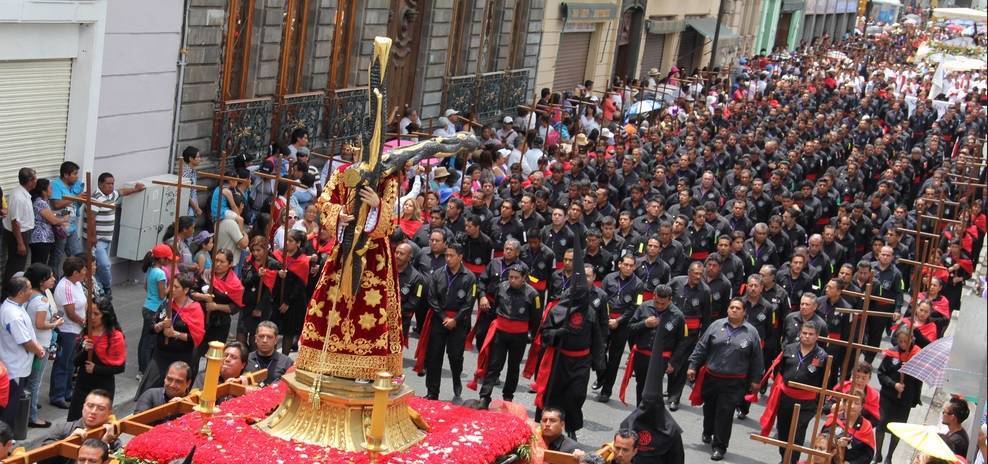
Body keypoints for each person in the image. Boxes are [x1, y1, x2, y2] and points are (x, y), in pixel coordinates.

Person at [534, 235, 604, 439]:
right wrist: (558, 333)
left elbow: (597, 338)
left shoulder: (590, 312)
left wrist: (600, 364)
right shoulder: (560, 310)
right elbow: (545, 334)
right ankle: (546, 427)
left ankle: (571, 427)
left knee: (576, 396)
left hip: (581, 361)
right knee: (553, 395)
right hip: (561, 359)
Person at [687, 297, 764, 461]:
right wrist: (693, 365)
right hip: (711, 377)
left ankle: (719, 447)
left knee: (725, 412)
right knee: (710, 409)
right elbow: (701, 347)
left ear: (744, 312)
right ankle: (708, 430)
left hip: (734, 382)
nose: (734, 310)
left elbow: (757, 358)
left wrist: (756, 380)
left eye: (738, 308)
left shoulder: (751, 332)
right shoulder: (716, 326)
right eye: (731, 307)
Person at [759, 321, 829, 464]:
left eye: (811, 334)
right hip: (786, 398)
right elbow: (781, 371)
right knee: (783, 431)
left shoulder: (822, 356)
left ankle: (792, 461)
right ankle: (784, 458)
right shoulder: (789, 349)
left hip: (807, 402)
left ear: (817, 336)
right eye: (804, 333)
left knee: (797, 433)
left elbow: (827, 381)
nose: (807, 336)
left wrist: (819, 404)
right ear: (800, 333)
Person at [471, 265, 539, 409]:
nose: (512, 280)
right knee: (494, 365)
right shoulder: (501, 287)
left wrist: (529, 334)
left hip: (519, 336)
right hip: (501, 333)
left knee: (513, 367)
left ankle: (508, 397)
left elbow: (536, 318)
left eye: (516, 278)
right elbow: (496, 306)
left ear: (524, 278)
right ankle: (485, 396)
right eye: (510, 277)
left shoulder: (533, 294)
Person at [416, 242, 477, 403]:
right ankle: (432, 392)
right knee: (434, 356)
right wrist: (443, 317)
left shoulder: (469, 277)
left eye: (451, 256)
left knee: (455, 355)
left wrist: (455, 320)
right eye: (446, 255)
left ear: (460, 257)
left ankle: (456, 380)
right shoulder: (437, 274)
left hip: (459, 321)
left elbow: (469, 303)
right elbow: (431, 298)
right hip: (439, 319)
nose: (448, 259)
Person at [135, 275, 205, 398]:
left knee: (174, 394)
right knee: (149, 392)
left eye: (176, 287)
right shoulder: (167, 304)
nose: (171, 289)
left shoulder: (195, 308)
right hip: (160, 356)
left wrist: (175, 334)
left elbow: (196, 337)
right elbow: (151, 327)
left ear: (186, 290)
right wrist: (161, 325)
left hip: (181, 358)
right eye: (170, 285)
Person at [621, 284, 685, 406]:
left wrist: (673, 362)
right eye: (657, 303)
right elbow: (630, 328)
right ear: (654, 296)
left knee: (653, 388)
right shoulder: (644, 307)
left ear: (670, 300)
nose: (660, 306)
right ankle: (639, 412)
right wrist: (644, 324)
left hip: (661, 358)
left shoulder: (678, 316)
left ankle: (650, 414)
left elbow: (681, 342)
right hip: (642, 355)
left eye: (663, 304)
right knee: (641, 385)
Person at [83, 172, 145, 296]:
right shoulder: (96, 198)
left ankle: (100, 290)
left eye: (112, 183)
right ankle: (107, 287)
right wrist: (93, 237)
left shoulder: (111, 195)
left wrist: (135, 189)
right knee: (105, 265)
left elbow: (121, 192)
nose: (111, 186)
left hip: (107, 238)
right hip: (97, 239)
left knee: (101, 266)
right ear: (100, 184)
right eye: (108, 184)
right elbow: (91, 219)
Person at [596, 254, 645, 403]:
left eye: (631, 265)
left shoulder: (638, 284)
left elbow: (636, 306)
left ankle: (606, 390)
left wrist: (618, 320)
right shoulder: (608, 279)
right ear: (620, 264)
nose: (628, 268)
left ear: (635, 267)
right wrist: (606, 319)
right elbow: (601, 297)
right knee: (598, 352)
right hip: (605, 320)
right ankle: (601, 377)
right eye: (626, 265)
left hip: (623, 324)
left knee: (615, 358)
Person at [67, 300, 126, 422]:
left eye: (96, 314)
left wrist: (96, 369)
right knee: (75, 422)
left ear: (105, 315)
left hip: (103, 387)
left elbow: (120, 367)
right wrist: (84, 350)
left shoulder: (115, 336)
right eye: (89, 313)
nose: (92, 317)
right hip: (82, 386)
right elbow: (75, 362)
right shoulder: (86, 332)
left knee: (96, 423)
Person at [0, 276, 46, 426]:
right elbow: (25, 341)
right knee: (10, 405)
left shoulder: (14, 306)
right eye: (29, 288)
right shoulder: (13, 315)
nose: (31, 291)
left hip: (15, 363)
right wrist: (39, 350)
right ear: (20, 293)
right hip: (15, 367)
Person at [874, 326, 922, 464]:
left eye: (905, 342)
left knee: (898, 428)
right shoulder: (891, 353)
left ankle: (889, 456)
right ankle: (878, 453)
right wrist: (893, 384)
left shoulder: (917, 354)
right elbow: (881, 373)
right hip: (888, 396)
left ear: (911, 340)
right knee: (881, 423)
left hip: (904, 399)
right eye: (900, 341)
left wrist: (910, 369)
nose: (902, 345)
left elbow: (918, 380)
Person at [190, 249, 243, 366]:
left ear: (230, 264)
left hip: (219, 324)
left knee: (213, 358)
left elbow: (235, 307)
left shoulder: (235, 283)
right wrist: (203, 297)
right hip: (199, 320)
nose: (217, 264)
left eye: (222, 262)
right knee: (194, 354)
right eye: (216, 260)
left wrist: (216, 306)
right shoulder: (205, 274)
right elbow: (191, 291)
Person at [24, 263, 61, 428]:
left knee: (28, 381)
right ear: (41, 282)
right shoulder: (42, 300)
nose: (53, 279)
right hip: (41, 346)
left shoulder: (29, 295)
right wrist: (55, 323)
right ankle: (32, 416)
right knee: (35, 382)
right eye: (50, 277)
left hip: (32, 344)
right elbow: (40, 324)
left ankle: (28, 409)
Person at [49, 256, 88, 410]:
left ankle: (66, 391)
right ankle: (57, 394)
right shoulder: (65, 287)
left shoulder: (76, 283)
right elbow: (70, 313)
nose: (85, 272)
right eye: (82, 270)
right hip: (68, 330)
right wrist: (83, 322)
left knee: (71, 362)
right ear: (74, 273)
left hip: (76, 329)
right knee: (63, 362)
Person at [40, 389, 120, 457]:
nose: (93, 411)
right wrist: (68, 442)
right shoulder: (62, 429)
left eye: (101, 408)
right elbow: (41, 457)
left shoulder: (110, 437)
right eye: (90, 406)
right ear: (83, 407)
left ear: (109, 413)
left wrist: (104, 444)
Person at [271, 230, 308, 355]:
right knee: (273, 328)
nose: (287, 243)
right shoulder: (278, 255)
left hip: (293, 301)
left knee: (289, 331)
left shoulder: (302, 261)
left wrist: (288, 302)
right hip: (277, 297)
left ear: (298, 243)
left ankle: (285, 357)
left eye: (290, 241)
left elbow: (300, 286)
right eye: (286, 240)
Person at [238, 236, 279, 348]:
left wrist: (259, 308)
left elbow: (271, 289)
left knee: (254, 337)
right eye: (253, 250)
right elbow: (245, 281)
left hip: (262, 303)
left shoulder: (273, 264)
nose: (255, 253)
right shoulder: (248, 261)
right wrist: (257, 276)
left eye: (258, 250)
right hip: (247, 301)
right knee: (240, 335)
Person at [138, 244, 172, 376]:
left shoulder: (151, 270)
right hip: (155, 309)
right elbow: (163, 294)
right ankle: (145, 370)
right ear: (162, 259)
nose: (169, 261)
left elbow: (146, 287)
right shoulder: (161, 273)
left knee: (144, 339)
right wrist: (171, 286)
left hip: (148, 306)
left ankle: (142, 368)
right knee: (149, 342)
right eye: (167, 258)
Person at [48, 162, 84, 279]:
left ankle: (72, 282)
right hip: (60, 229)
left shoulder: (75, 185)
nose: (77, 176)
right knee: (56, 259)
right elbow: (56, 203)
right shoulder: (56, 185)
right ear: (65, 174)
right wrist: (76, 198)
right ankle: (54, 286)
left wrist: (80, 198)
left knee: (78, 257)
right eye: (74, 174)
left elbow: (78, 200)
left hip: (71, 227)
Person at [4, 168, 37, 283]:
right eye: (35, 178)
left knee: (16, 264)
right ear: (30, 181)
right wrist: (20, 243)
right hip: (19, 235)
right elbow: (15, 222)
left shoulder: (21, 192)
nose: (36, 181)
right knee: (16, 267)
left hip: (21, 233)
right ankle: (8, 295)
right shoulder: (18, 197)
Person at [820, 396, 875, 464]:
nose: (852, 406)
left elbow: (867, 454)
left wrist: (851, 463)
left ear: (861, 406)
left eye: (856, 403)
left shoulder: (866, 426)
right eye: (850, 402)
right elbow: (821, 443)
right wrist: (837, 443)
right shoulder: (833, 420)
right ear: (844, 404)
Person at [29, 178, 69, 266]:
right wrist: (64, 219)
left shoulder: (43, 202)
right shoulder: (40, 203)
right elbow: (53, 221)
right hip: (41, 239)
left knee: (39, 264)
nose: (52, 190)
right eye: (50, 188)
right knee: (39, 265)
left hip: (43, 239)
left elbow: (48, 216)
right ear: (44, 191)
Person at [244, 321, 294, 386]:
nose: (265, 340)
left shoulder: (286, 362)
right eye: (261, 336)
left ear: (276, 340)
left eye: (269, 337)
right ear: (256, 338)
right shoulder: (246, 359)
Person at [395, 242, 427, 342]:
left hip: (401, 318)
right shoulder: (387, 270)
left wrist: (396, 311)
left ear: (410, 257)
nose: (398, 256)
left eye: (402, 254)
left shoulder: (417, 278)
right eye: (396, 252)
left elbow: (415, 301)